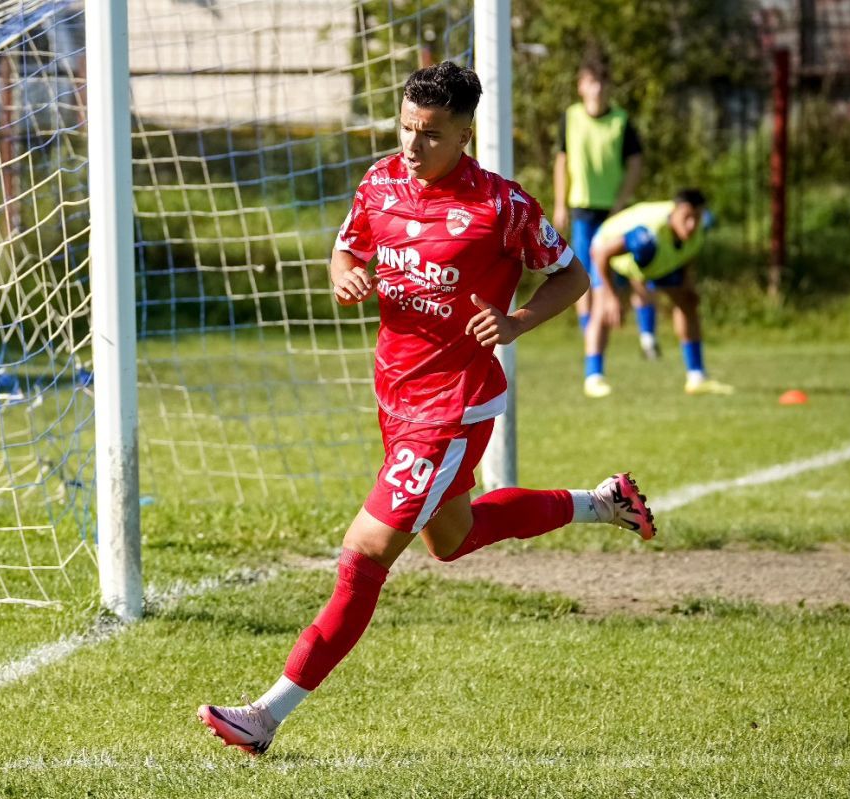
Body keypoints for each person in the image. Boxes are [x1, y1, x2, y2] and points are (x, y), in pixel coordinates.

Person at [197, 61, 656, 757]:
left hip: (453, 409)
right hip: (395, 398)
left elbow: (574, 274)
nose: (413, 145)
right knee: (452, 538)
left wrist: (516, 322)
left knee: (363, 553)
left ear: (465, 135)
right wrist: (346, 272)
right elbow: (347, 248)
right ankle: (602, 502)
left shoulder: (500, 207)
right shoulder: (380, 181)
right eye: (406, 127)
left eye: (431, 134)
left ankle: (266, 714)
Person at [551, 53, 655, 359]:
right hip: (582, 209)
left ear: (608, 86)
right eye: (590, 82)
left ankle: (648, 338)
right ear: (581, 86)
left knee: (632, 272)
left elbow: (636, 163)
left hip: (614, 213)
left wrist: (622, 201)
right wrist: (560, 203)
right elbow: (562, 161)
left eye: (601, 83)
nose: (596, 89)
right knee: (581, 277)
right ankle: (590, 342)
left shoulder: (621, 121)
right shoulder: (571, 117)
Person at [583, 189, 732, 398]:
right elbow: (601, 253)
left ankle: (697, 378)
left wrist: (687, 285)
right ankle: (593, 378)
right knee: (602, 311)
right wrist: (610, 295)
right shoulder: (648, 234)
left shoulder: (700, 228)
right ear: (674, 212)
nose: (691, 224)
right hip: (609, 253)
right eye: (686, 217)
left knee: (687, 302)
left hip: (656, 260)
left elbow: (686, 255)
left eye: (696, 218)